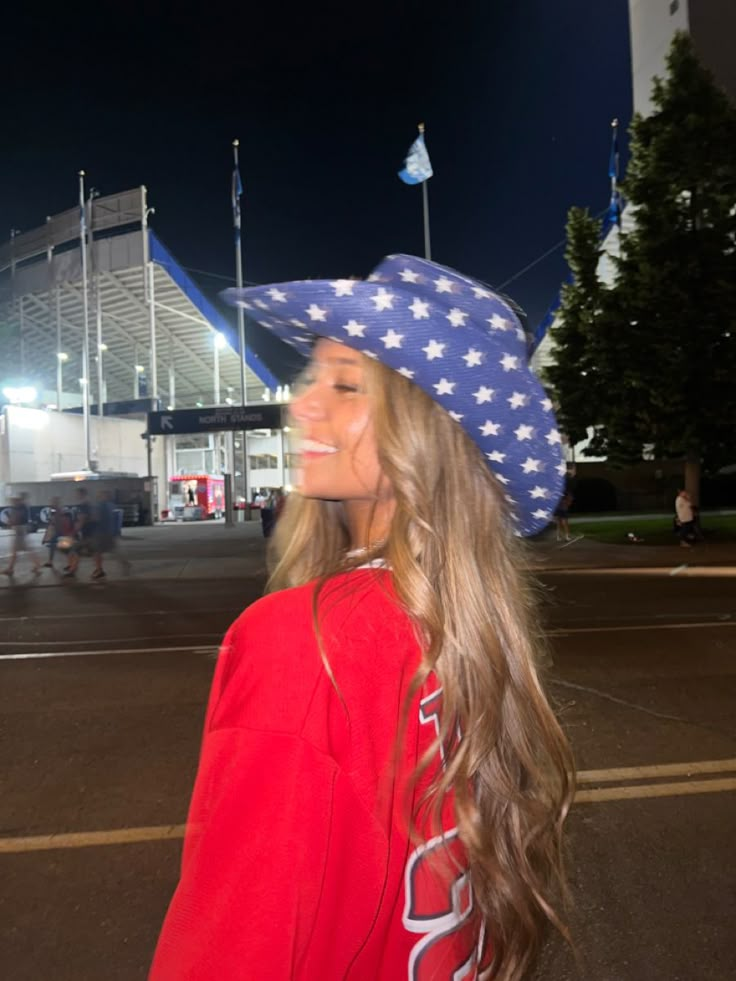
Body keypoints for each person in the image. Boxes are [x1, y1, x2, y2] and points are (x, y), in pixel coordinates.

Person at [150, 254, 574, 981]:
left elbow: (232, 946)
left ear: (428, 430)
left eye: (346, 384)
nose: (303, 404)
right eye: (311, 377)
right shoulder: (459, 629)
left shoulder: (301, 642)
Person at [2, 494, 42, 577]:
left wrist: (11, 521)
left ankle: (36, 565)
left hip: (19, 530)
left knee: (24, 549)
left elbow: (16, 519)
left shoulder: (19, 508)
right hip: (20, 529)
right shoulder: (23, 507)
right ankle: (11, 568)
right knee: (19, 550)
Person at [64, 487, 98, 578]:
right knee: (92, 552)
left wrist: (74, 532)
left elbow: (81, 521)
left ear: (82, 494)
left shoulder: (83, 506)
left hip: (87, 533)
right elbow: (94, 518)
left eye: (77, 494)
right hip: (91, 532)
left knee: (77, 551)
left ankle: (73, 570)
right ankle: (98, 569)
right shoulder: (90, 505)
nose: (76, 495)